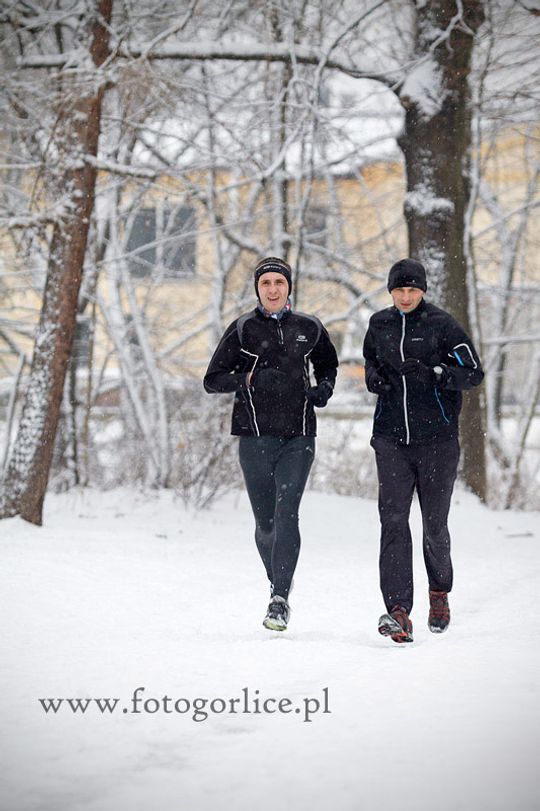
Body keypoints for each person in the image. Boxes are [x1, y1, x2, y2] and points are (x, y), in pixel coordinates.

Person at [203, 257, 339, 631]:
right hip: (254, 436)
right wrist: (249, 379)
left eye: (279, 282)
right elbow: (212, 380)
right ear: (258, 289)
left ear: (289, 286)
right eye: (266, 283)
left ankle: (279, 599)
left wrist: (325, 388)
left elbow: (328, 364)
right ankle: (279, 577)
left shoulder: (309, 327)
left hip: (299, 435)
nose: (273, 289)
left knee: (287, 513)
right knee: (265, 525)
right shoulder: (243, 329)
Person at [363, 258, 484, 644]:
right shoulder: (379, 324)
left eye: (412, 290)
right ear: (390, 291)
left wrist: (436, 374)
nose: (405, 296)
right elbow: (369, 363)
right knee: (393, 521)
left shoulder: (442, 325)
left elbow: (473, 372)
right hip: (390, 439)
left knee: (434, 524)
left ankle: (439, 591)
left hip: (437, 442)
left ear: (423, 291)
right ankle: (398, 610)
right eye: (399, 290)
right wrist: (375, 379)